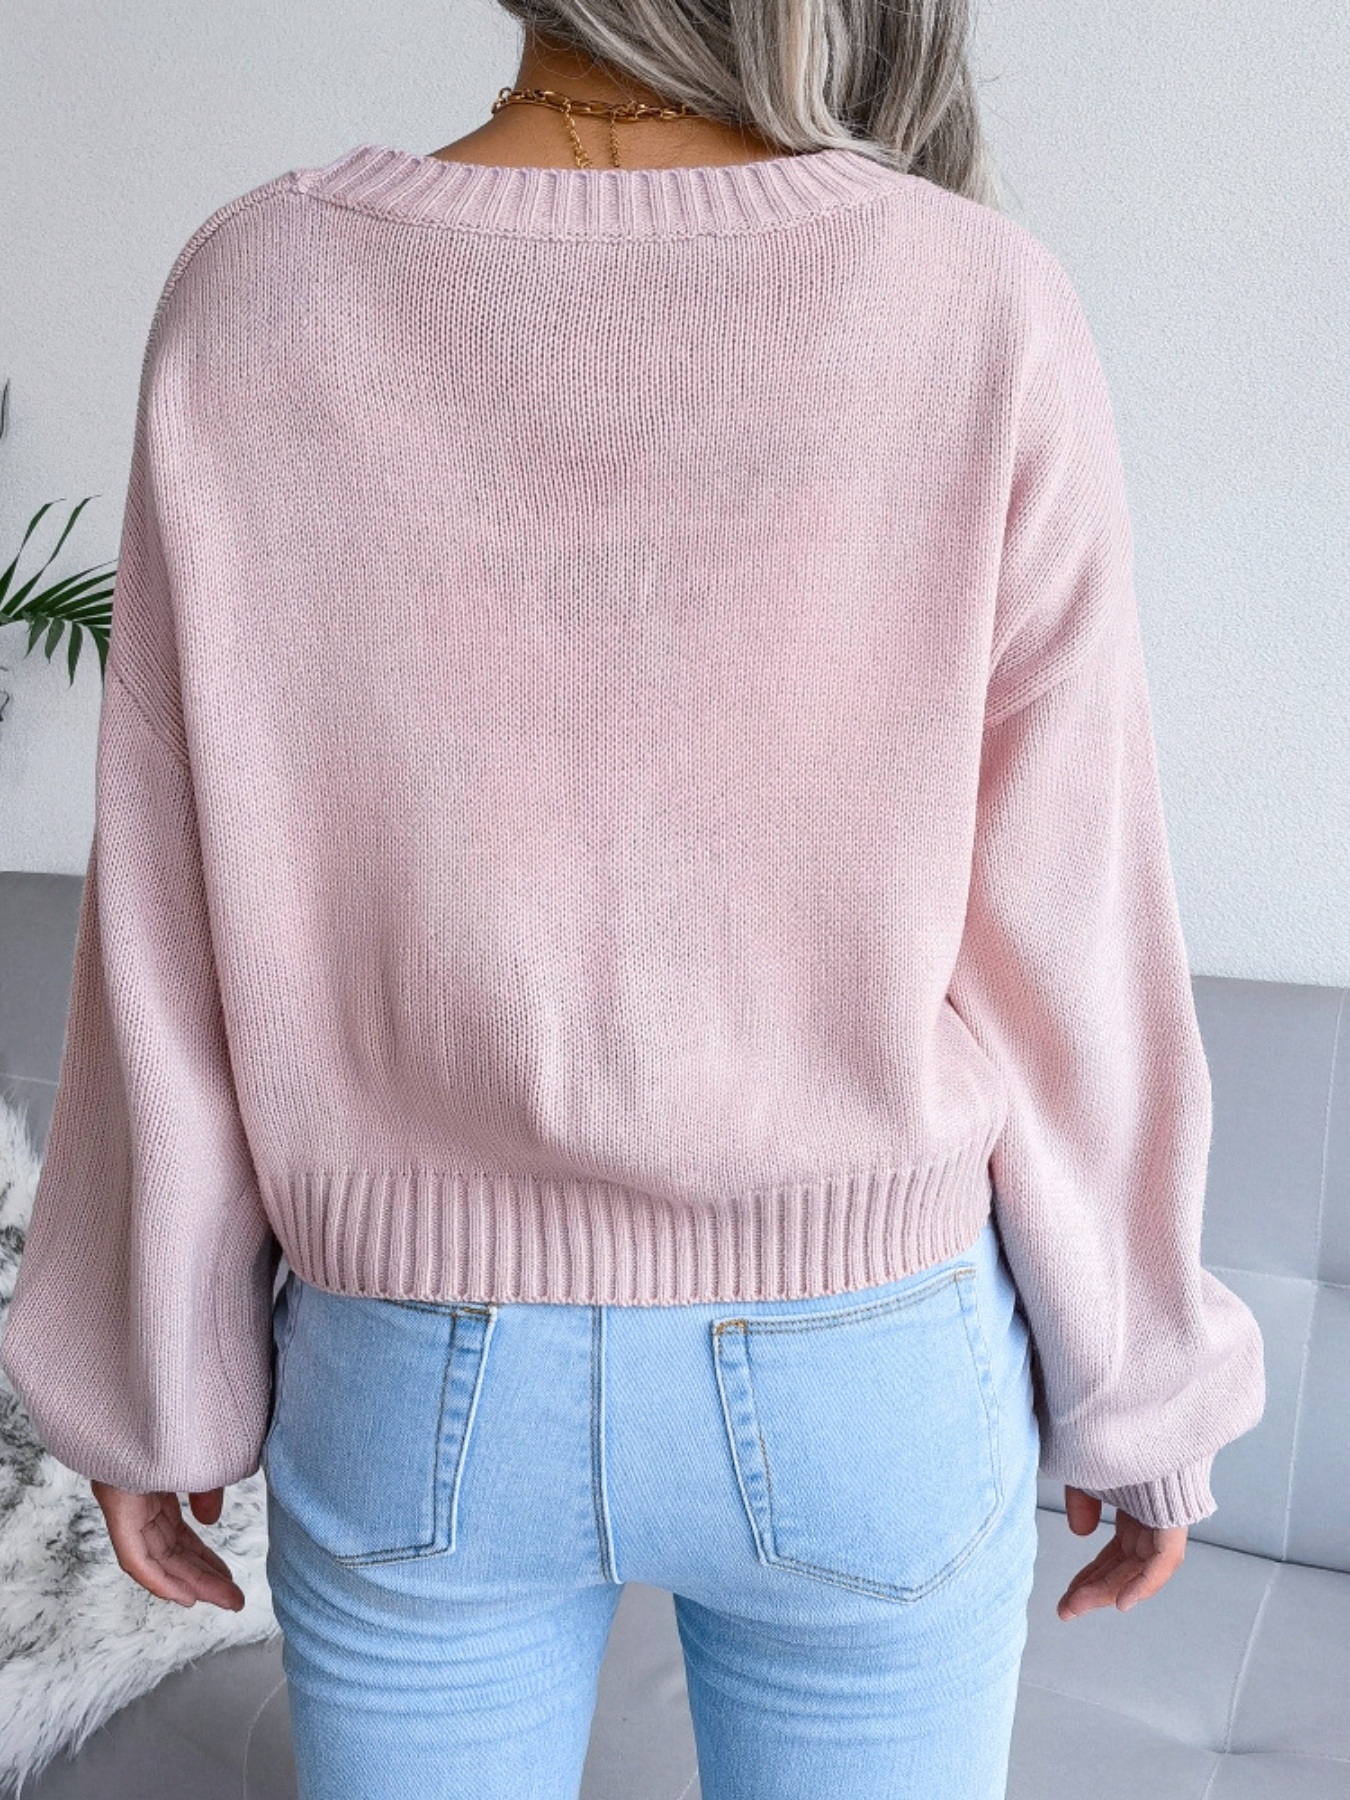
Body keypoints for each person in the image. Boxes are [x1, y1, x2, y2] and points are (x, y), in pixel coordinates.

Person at [1, 5, 1266, 1797]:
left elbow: (169, 917)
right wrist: (1141, 1386)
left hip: (411, 1370)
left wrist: (148, 1380)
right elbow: (1070, 929)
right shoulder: (978, 298)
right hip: (865, 1369)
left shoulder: (255, 290)